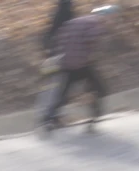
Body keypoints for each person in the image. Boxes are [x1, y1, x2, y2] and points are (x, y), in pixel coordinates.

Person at [42, 4, 120, 132]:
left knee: (64, 91)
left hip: (65, 62)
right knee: (99, 89)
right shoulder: (96, 24)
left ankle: (49, 118)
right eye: (112, 17)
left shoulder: (78, 21)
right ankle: (94, 118)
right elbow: (91, 37)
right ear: (105, 16)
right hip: (81, 63)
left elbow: (60, 36)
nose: (113, 19)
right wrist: (105, 28)